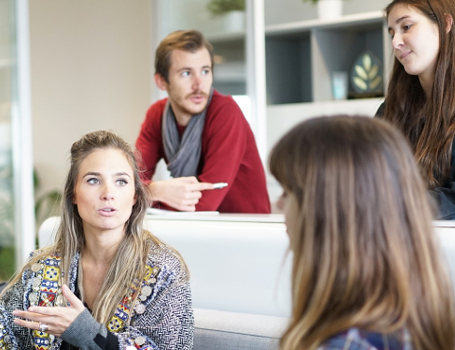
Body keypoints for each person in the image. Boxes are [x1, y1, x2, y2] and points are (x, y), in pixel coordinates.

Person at [269, 115, 455, 350]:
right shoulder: (411, 322)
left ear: (327, 210)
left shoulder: (347, 344)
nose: (278, 204)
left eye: (287, 192)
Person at [0, 130, 193, 349]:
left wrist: (85, 332)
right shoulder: (41, 267)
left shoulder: (164, 271)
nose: (108, 193)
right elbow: (7, 328)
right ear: (73, 194)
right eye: (93, 180)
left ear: (135, 196)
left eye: (121, 181)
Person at [136, 29, 270, 213]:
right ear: (161, 82)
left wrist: (144, 194)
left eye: (205, 71)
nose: (199, 85)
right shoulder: (156, 115)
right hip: (196, 229)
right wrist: (156, 190)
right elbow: (127, 182)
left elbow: (204, 203)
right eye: (186, 73)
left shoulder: (225, 112)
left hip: (244, 231)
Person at [376, 0, 455, 219]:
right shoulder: (391, 108)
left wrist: (396, 209)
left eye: (406, 27)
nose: (395, 42)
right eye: (392, 33)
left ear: (445, 24)